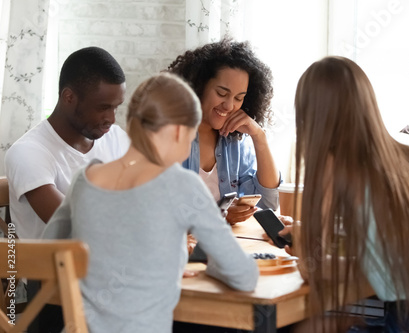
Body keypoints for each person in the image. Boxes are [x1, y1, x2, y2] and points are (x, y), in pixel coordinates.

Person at [42, 72, 259, 333]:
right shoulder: (183, 184)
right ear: (180, 132)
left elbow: (47, 252)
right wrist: (210, 269)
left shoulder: (85, 179)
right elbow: (244, 276)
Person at [282, 56, 409, 332]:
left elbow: (311, 269)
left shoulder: (335, 166)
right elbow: (398, 256)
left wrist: (304, 242)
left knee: (304, 328)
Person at [4, 46, 130, 240]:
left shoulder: (115, 138)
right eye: (103, 108)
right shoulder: (28, 153)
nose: (112, 119)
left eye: (116, 107)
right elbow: (75, 227)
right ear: (68, 97)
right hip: (50, 269)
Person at [167, 38, 280, 224]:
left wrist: (259, 137)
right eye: (221, 93)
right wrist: (220, 215)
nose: (229, 106)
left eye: (239, 98)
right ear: (198, 86)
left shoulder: (234, 142)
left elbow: (268, 205)